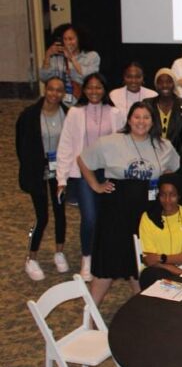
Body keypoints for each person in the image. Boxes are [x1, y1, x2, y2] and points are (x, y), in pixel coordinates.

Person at [78, 101, 180, 304]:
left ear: (153, 122)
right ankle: (88, 317)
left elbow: (173, 168)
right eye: (136, 117)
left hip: (146, 214)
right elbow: (83, 160)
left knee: (139, 266)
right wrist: (96, 186)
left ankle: (141, 312)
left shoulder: (163, 145)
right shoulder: (110, 142)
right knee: (106, 266)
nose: (141, 122)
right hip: (116, 212)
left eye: (146, 117)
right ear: (129, 119)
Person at [55, 72, 124, 281]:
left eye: (98, 87)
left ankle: (106, 256)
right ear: (84, 90)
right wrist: (61, 179)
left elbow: (122, 143)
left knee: (108, 218)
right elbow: (66, 145)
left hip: (109, 171)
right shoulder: (75, 113)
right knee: (90, 218)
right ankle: (87, 257)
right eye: (90, 88)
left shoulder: (115, 112)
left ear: (105, 90)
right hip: (84, 171)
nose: (94, 91)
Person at [17, 77, 69, 280]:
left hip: (59, 172)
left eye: (59, 91)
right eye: (51, 90)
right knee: (42, 216)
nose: (55, 94)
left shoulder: (68, 114)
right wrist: (29, 168)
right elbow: (20, 146)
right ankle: (31, 257)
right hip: (37, 172)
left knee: (60, 213)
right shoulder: (29, 115)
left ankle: (59, 251)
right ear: (45, 90)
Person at [137, 175, 182, 289]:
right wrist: (179, 272)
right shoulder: (148, 218)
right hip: (158, 271)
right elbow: (150, 260)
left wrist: (162, 258)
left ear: (179, 196)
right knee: (155, 278)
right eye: (163, 195)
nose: (167, 200)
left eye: (172, 195)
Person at [39, 23, 100, 105]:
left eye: (71, 39)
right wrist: (47, 56)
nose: (68, 42)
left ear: (79, 39)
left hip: (81, 95)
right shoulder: (57, 57)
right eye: (65, 39)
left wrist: (72, 59)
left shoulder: (91, 56)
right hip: (58, 95)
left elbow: (88, 77)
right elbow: (44, 78)